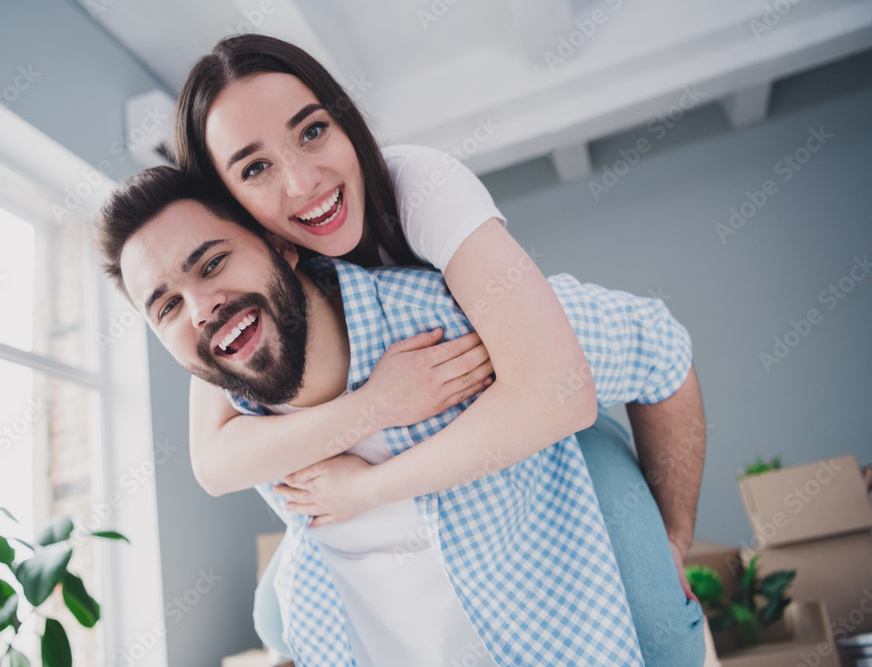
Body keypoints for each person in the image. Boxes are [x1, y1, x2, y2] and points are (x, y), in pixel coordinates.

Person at [171, 34, 705, 663]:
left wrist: (673, 539)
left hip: (544, 431)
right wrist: (378, 406)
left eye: (312, 131)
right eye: (255, 167)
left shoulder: (421, 189)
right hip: (391, 451)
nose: (302, 181)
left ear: (345, 121)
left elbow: (560, 395)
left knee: (661, 631)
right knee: (276, 617)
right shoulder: (244, 283)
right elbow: (214, 462)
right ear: (225, 207)